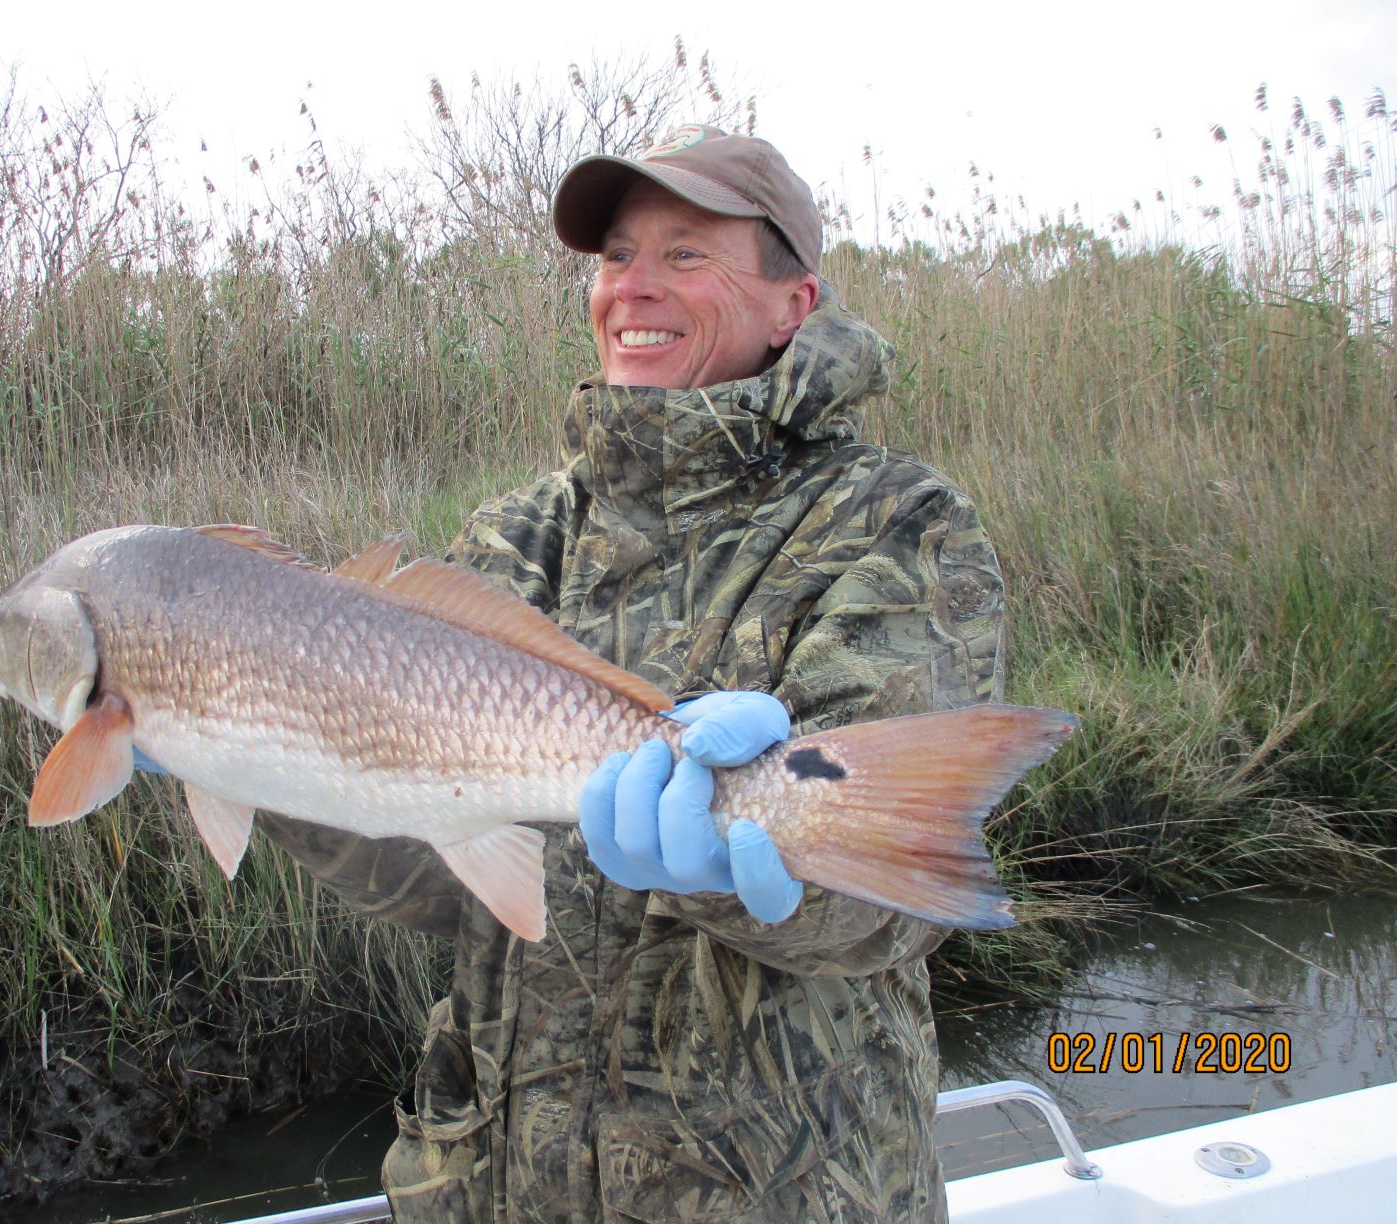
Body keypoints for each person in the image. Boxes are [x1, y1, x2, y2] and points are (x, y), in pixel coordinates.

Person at [257, 124, 1007, 1222]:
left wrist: (739, 870)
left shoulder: (896, 523)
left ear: (791, 304)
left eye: (686, 254)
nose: (633, 287)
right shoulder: (516, 537)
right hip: (490, 1190)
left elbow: (886, 915)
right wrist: (274, 756)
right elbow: (435, 886)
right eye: (616, 256)